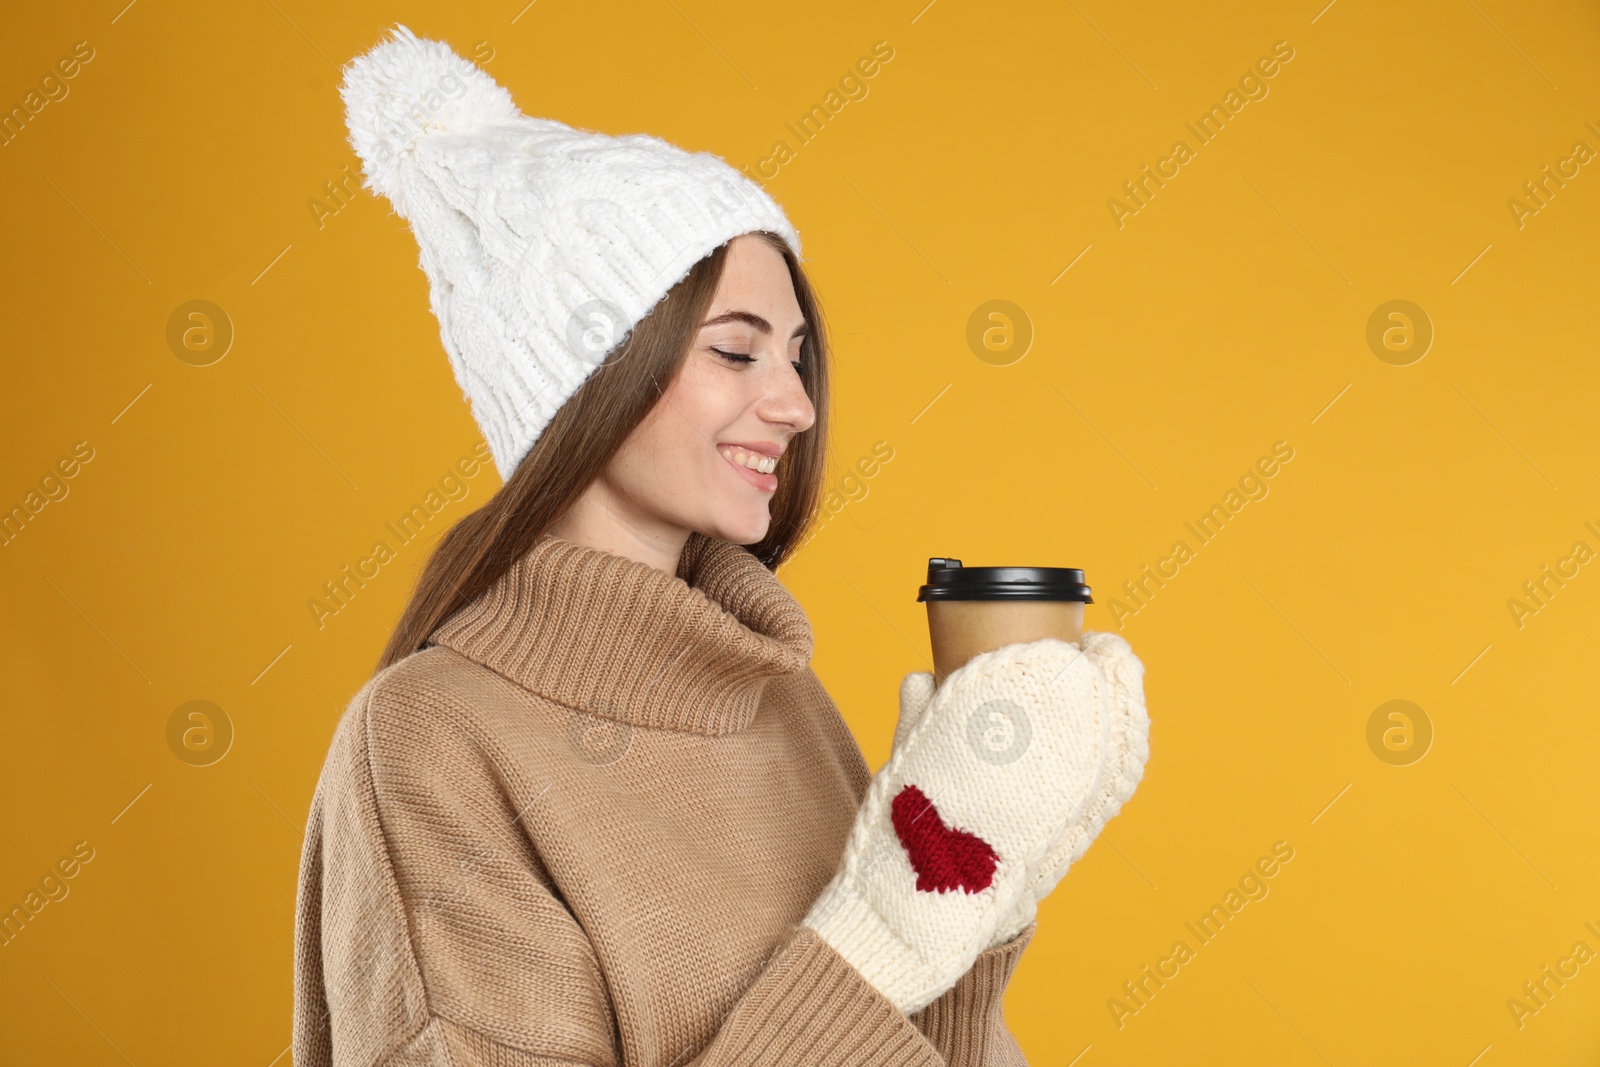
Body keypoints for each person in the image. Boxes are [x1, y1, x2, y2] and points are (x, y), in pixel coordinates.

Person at [292, 24, 1151, 1067]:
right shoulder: (431, 744)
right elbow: (859, 980)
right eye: (734, 350)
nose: (792, 404)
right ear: (591, 376)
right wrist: (878, 938)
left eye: (795, 356)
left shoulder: (776, 695)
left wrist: (982, 896)